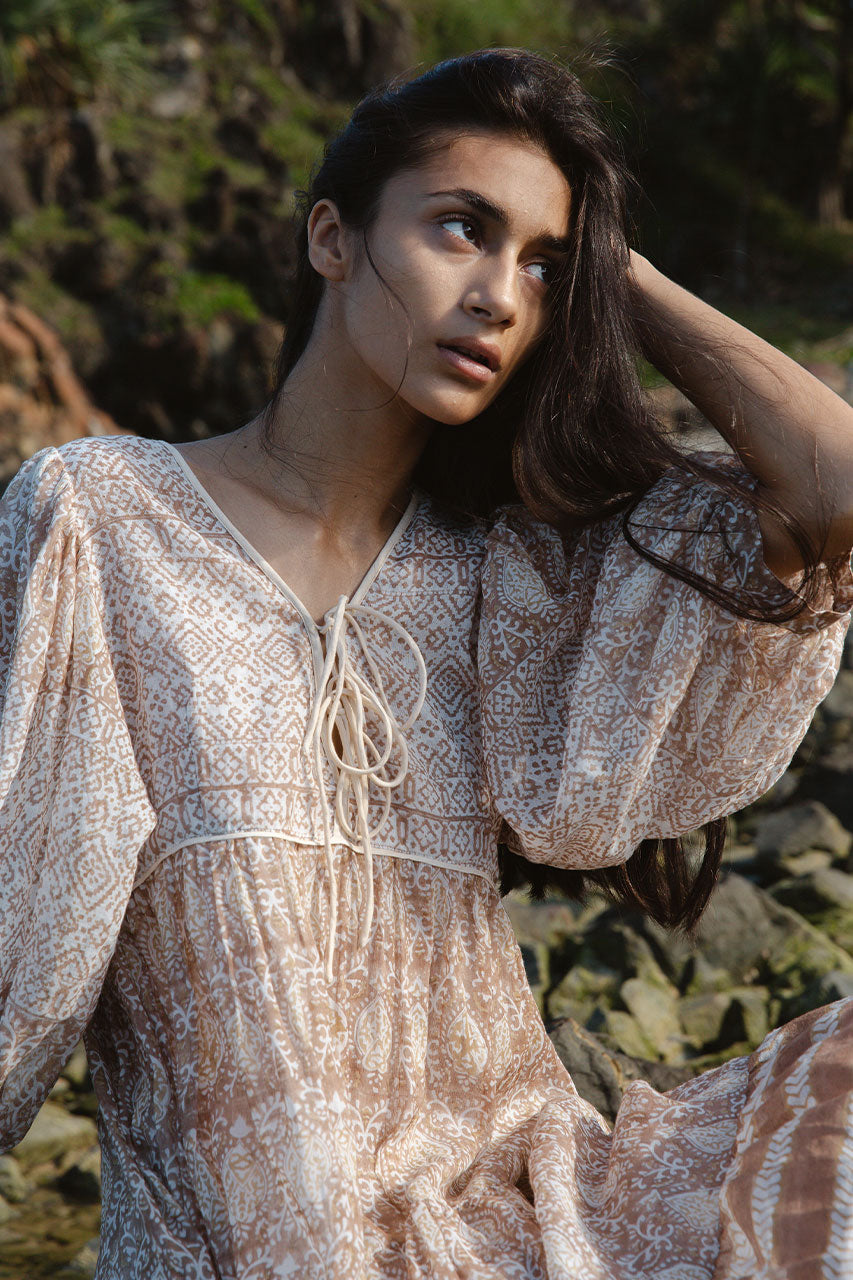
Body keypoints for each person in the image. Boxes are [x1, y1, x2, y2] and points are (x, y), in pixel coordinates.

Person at [1, 46, 852, 1280]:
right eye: (462, 229)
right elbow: (25, 926)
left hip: (526, 1216)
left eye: (542, 265)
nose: (503, 295)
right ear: (332, 238)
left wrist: (621, 276)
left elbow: (832, 489)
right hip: (263, 1241)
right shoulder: (102, 517)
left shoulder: (505, 578)